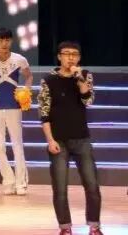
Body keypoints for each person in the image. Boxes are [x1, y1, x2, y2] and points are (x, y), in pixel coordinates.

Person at [40, 41, 102, 235]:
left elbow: (88, 100)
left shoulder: (85, 75)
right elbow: (44, 113)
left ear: (79, 57)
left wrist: (80, 78)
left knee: (92, 185)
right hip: (58, 140)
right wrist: (50, 140)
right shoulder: (48, 80)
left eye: (74, 54)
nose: (70, 57)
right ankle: (65, 228)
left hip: (81, 139)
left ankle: (94, 226)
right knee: (60, 188)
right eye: (66, 54)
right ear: (59, 57)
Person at [0, 27, 33, 195]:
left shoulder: (19, 59)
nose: (4, 43)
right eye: (0, 40)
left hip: (14, 107)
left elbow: (29, 76)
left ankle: (21, 183)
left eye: (7, 40)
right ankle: (8, 180)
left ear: (11, 41)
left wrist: (26, 91)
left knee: (17, 145)